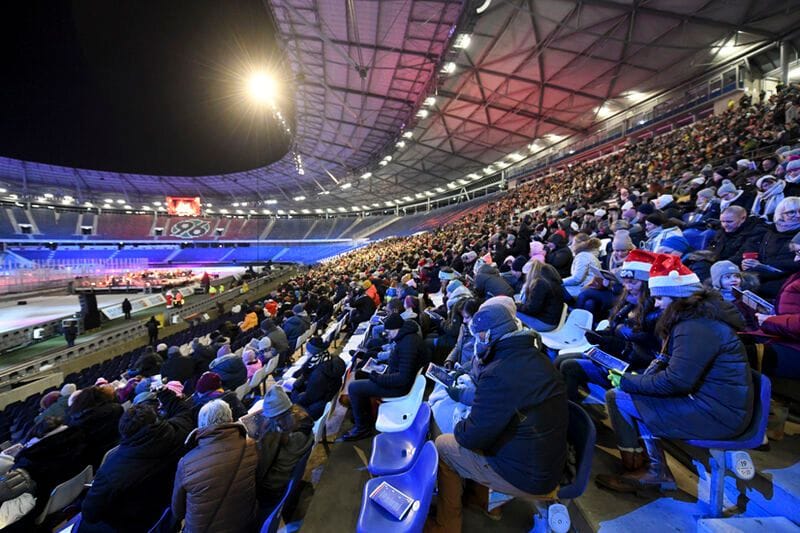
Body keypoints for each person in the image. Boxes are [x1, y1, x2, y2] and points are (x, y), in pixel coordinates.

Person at [596, 255, 753, 493]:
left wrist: (629, 382)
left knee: (618, 397)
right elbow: (671, 366)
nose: (656, 304)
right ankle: (648, 467)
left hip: (718, 413)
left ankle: (652, 470)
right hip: (713, 402)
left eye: (660, 298)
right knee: (623, 394)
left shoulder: (696, 326)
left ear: (678, 298)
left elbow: (676, 381)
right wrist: (635, 380)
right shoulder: (694, 320)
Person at [424, 298, 568, 533]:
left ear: (491, 335)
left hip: (528, 474)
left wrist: (460, 425)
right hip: (543, 461)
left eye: (479, 337)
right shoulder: (533, 355)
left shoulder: (499, 371)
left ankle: (446, 525)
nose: (477, 343)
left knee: (443, 445)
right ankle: (481, 500)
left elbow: (471, 437)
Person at [78, 389, 193, 533]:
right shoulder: (179, 432)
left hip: (137, 525)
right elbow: (184, 411)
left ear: (124, 433)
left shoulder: (111, 473)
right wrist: (165, 393)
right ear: (156, 420)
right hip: (168, 513)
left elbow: (90, 514)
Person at [171, 400, 259, 533]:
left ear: (201, 425)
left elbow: (178, 512)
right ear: (230, 419)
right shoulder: (251, 445)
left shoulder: (186, 463)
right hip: (245, 524)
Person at [342, 313, 423, 441]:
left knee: (354, 387)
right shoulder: (405, 337)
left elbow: (402, 378)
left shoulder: (408, 344)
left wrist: (377, 377)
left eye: (388, 331)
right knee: (361, 375)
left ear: (396, 328)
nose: (387, 334)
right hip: (394, 379)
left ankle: (362, 428)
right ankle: (363, 418)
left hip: (399, 388)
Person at [253, 386, 313, 515]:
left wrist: (262, 437)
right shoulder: (303, 420)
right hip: (286, 478)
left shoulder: (278, 436)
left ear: (277, 417)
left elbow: (262, 468)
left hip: (273, 486)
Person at [516, 261, 564, 332]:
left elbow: (532, 309)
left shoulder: (541, 284)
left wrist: (515, 305)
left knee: (511, 311)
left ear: (530, 272)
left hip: (545, 323)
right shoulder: (551, 280)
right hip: (551, 320)